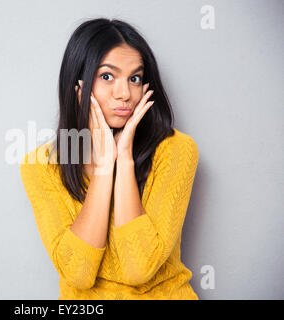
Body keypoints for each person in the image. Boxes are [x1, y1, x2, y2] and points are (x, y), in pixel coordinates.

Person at [20, 18, 199, 300]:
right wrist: (104, 165)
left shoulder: (176, 150)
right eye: (107, 76)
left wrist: (124, 157)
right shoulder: (41, 166)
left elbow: (139, 267)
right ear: (76, 86)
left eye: (135, 78)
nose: (125, 94)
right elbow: (77, 273)